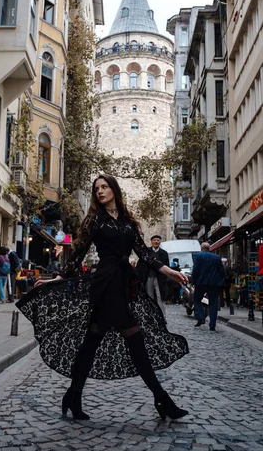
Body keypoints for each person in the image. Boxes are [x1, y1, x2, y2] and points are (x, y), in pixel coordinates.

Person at [17, 174, 189, 421]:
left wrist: (168, 271)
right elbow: (78, 253)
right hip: (105, 284)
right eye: (96, 188)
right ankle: (162, 399)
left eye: (104, 187)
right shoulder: (94, 220)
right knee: (134, 337)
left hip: (123, 283)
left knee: (92, 342)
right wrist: (58, 278)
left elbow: (143, 253)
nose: (99, 191)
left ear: (114, 190)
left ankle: (73, 395)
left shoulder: (129, 221)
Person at [192, 242, 225, 331]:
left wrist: (193, 281)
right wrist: (220, 280)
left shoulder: (198, 256)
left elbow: (195, 270)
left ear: (201, 248)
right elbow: (221, 270)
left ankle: (201, 316)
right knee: (213, 303)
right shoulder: (216, 257)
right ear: (209, 248)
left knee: (196, 299)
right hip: (214, 283)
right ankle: (212, 325)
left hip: (201, 283)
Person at [136, 234, 170, 317]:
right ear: (151, 242)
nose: (156, 241)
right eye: (154, 240)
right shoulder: (146, 251)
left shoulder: (164, 253)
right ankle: (150, 316)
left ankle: (162, 316)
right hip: (148, 277)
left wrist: (165, 277)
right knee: (149, 296)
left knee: (160, 297)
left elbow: (167, 265)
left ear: (160, 242)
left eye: (158, 240)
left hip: (159, 278)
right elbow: (140, 264)